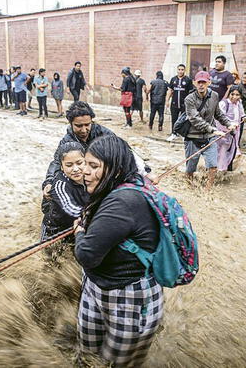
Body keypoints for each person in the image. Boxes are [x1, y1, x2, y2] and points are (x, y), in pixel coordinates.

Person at [74, 134, 163, 367]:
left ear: (114, 170)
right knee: (88, 357)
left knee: (117, 364)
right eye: (86, 163)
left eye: (94, 166)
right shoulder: (125, 184)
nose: (85, 171)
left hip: (130, 297)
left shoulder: (122, 202)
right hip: (98, 288)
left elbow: (86, 255)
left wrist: (79, 231)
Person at [42, 101, 156, 197]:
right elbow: (57, 162)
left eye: (87, 124)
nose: (84, 130)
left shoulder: (103, 133)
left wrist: (145, 172)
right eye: (79, 126)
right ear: (70, 123)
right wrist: (49, 182)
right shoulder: (67, 142)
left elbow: (125, 151)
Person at [184, 71, 237, 190]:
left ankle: (208, 191)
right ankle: (189, 189)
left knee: (213, 166)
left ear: (209, 83)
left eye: (204, 82)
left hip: (209, 137)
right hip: (193, 137)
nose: (201, 85)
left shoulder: (214, 96)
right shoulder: (189, 99)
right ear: (194, 83)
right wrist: (213, 130)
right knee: (190, 169)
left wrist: (229, 124)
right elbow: (195, 119)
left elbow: (218, 114)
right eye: (199, 82)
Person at [40, 142, 88, 241]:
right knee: (48, 254)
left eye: (79, 163)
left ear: (86, 161)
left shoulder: (90, 177)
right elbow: (70, 208)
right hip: (55, 229)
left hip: (76, 226)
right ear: (61, 167)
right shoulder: (59, 184)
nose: (75, 169)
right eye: (69, 165)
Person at [217, 86, 246, 172]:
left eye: (237, 95)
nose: (234, 97)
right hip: (223, 134)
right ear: (229, 94)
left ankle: (228, 171)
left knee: (232, 152)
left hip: (234, 134)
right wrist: (229, 125)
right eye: (232, 94)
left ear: (240, 96)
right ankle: (218, 171)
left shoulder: (239, 103)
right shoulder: (223, 104)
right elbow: (219, 118)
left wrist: (243, 117)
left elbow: (241, 112)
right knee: (221, 153)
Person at [166, 64, 194, 141]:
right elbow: (170, 90)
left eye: (182, 69)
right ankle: (174, 134)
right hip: (174, 103)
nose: (180, 71)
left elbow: (191, 93)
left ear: (184, 70)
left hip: (184, 104)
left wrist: (190, 104)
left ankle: (183, 134)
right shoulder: (173, 79)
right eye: (179, 69)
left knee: (184, 119)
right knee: (174, 119)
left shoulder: (188, 80)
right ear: (177, 70)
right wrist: (167, 100)